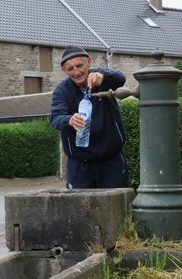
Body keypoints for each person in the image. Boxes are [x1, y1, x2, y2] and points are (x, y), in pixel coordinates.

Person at [50, 45, 129, 188]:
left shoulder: (101, 78)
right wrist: (69, 119)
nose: (76, 72)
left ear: (89, 62)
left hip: (111, 161)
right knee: (79, 209)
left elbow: (121, 79)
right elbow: (55, 118)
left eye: (79, 66)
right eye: (70, 69)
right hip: (80, 165)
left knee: (116, 208)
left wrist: (104, 75)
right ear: (64, 71)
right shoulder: (62, 91)